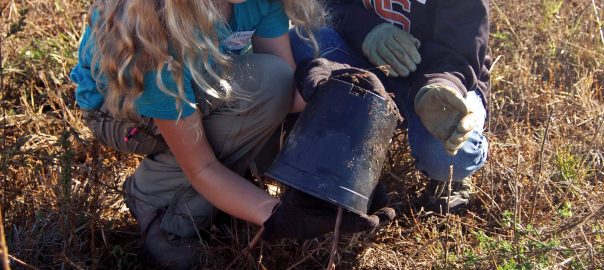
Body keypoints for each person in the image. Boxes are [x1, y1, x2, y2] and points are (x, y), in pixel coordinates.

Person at [70, 0, 391, 268]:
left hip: (196, 79)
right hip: (120, 109)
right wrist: (277, 216)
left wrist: (323, 83)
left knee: (272, 80)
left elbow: (283, 92)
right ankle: (156, 202)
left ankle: (231, 189)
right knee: (219, 134)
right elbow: (202, 167)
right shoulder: (154, 31)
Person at [289, 0, 491, 213]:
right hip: (369, 58)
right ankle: (332, 152)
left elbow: (461, 49)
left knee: (448, 159)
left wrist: (441, 85)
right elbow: (330, 3)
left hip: (441, 79)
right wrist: (367, 30)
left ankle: (454, 178)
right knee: (304, 40)